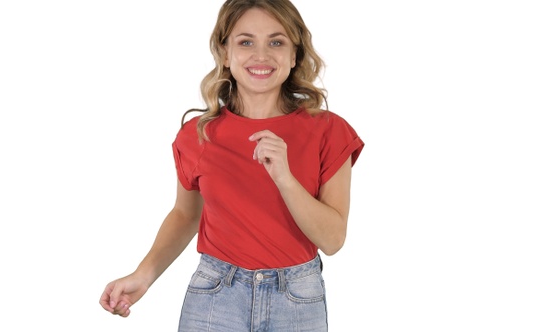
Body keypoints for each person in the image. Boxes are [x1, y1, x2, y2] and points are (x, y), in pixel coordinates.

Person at [99, 0, 364, 330]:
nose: (261, 55)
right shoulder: (197, 134)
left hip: (296, 299)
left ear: (294, 55)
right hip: (215, 294)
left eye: (276, 42)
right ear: (225, 54)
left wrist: (285, 178)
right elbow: (185, 215)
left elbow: (333, 239)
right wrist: (144, 275)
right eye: (246, 41)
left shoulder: (329, 130)